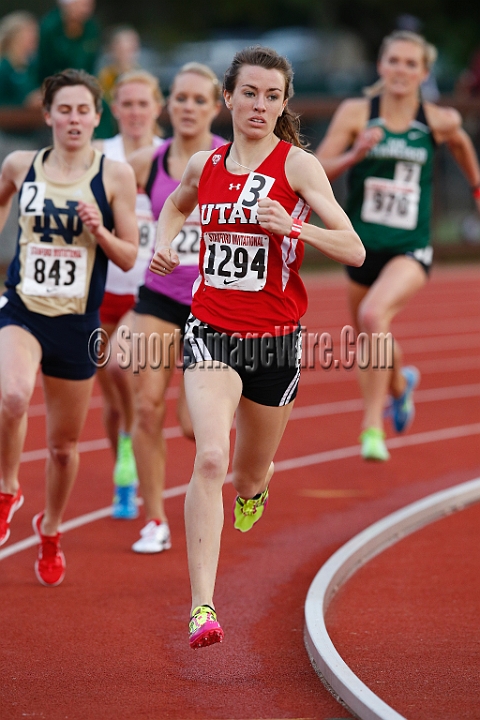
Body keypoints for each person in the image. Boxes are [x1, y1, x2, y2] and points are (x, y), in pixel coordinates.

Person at [149, 46, 365, 648]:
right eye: (250, 93)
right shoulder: (204, 163)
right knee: (210, 458)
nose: (260, 105)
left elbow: (354, 250)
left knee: (245, 476)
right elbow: (174, 202)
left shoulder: (297, 168)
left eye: (273, 96)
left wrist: (293, 225)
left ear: (284, 103)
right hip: (211, 329)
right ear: (229, 98)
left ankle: (257, 485)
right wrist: (163, 244)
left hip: (275, 344)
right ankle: (202, 608)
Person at [0, 69, 138, 586]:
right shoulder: (21, 164)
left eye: (84, 110)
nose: (74, 119)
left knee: (62, 448)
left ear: (97, 117)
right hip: (22, 310)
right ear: (48, 115)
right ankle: (8, 489)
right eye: (65, 109)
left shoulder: (113, 176)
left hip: (77, 323)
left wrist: (98, 229)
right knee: (12, 396)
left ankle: (51, 529)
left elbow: (128, 256)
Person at [315, 30, 480, 462]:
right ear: (381, 66)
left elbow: (461, 143)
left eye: (412, 64)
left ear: (424, 73)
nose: (402, 70)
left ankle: (372, 427)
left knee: (373, 315)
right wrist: (354, 154)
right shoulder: (357, 113)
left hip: (411, 247)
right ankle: (400, 384)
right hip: (360, 248)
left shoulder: (437, 120)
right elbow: (316, 171)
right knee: (372, 332)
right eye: (395, 61)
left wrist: (477, 188)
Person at [127, 62, 224, 553]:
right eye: (180, 99)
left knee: (191, 425)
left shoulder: (231, 161)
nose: (187, 107)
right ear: (169, 104)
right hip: (159, 296)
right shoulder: (148, 160)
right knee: (145, 405)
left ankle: (246, 466)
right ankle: (155, 518)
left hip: (211, 305)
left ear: (215, 105)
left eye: (197, 100)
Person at [94, 70, 164, 519]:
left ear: (158, 107)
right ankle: (124, 451)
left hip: (147, 294)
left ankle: (133, 462)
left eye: (144, 103)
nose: (136, 112)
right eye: (128, 104)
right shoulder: (100, 155)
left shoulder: (172, 157)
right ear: (115, 109)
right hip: (101, 292)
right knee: (112, 396)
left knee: (131, 380)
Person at [0, 11, 40, 108]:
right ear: (15, 36)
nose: (34, 36)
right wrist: (25, 103)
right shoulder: (3, 67)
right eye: (29, 32)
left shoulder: (33, 65)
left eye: (35, 32)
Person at [97, 26, 140, 104]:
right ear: (112, 49)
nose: (125, 55)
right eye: (121, 49)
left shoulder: (141, 76)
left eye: (129, 50)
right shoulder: (105, 76)